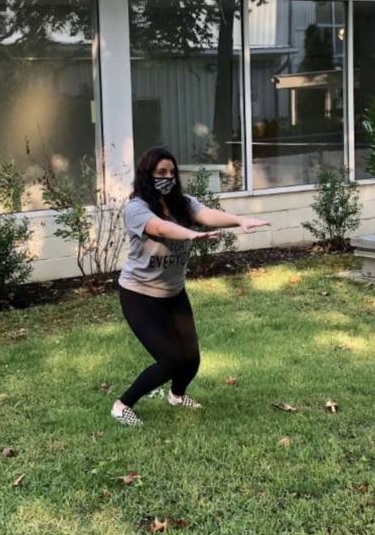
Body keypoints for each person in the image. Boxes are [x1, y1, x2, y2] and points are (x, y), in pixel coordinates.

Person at [110, 147, 270, 426]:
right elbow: (160, 228)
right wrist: (190, 234)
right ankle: (122, 405)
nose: (168, 177)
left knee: (191, 358)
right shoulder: (137, 208)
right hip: (140, 295)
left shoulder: (182, 204)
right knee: (170, 359)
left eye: (172, 172)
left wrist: (240, 220)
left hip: (173, 293)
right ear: (147, 174)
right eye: (161, 172)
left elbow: (207, 214)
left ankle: (177, 395)